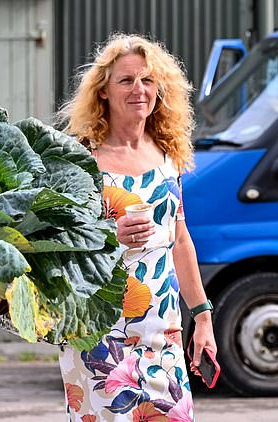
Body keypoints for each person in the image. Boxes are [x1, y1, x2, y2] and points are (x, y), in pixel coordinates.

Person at [55, 33, 217, 421]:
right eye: (126, 81)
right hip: (98, 333)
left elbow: (179, 239)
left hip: (165, 335)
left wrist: (203, 317)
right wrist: (111, 238)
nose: (139, 90)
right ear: (104, 92)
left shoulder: (167, 156)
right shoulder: (81, 158)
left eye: (147, 80)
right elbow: (55, 243)